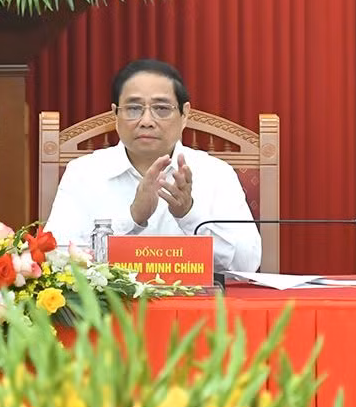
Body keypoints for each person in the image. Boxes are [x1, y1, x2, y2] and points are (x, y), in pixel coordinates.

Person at [43, 58, 261, 274]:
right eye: (134, 109)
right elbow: (55, 260)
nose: (147, 120)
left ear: (184, 115)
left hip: (199, 306)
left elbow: (247, 264)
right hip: (107, 307)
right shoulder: (83, 173)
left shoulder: (216, 174)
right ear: (115, 115)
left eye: (161, 108)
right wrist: (133, 218)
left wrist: (189, 214)